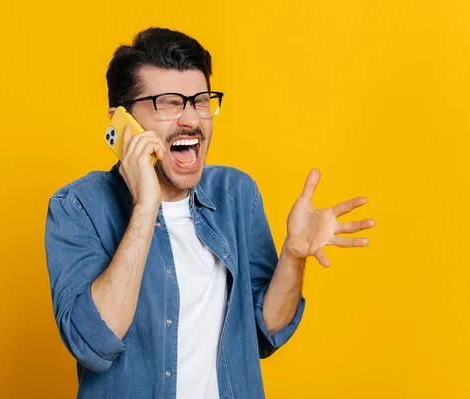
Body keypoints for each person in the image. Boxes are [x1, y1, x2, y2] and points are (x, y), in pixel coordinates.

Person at [44, 27, 375, 399]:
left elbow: (266, 329)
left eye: (200, 100)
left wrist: (293, 257)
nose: (191, 120)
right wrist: (145, 207)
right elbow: (94, 343)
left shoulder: (236, 194)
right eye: (168, 102)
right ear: (121, 121)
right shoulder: (78, 208)